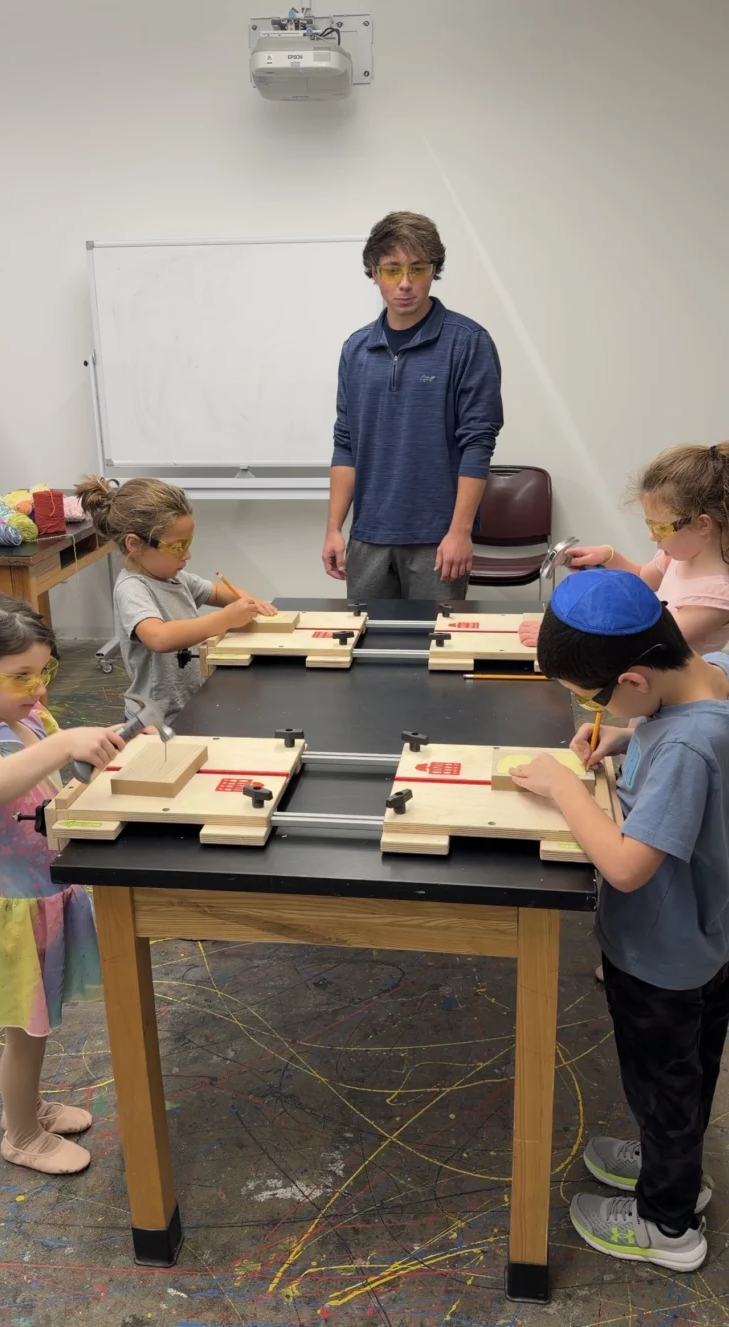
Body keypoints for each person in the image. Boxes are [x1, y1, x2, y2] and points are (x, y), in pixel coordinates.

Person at [509, 569, 729, 1273]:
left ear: (634, 678)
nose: (595, 710)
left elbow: (630, 865)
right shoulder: (712, 674)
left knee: (663, 1081)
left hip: (663, 952)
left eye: (595, 699)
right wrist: (622, 744)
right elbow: (672, 730)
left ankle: (669, 1221)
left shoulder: (690, 747)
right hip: (706, 937)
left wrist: (568, 790)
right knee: (687, 1072)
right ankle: (675, 1161)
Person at [0, 592, 127, 1174]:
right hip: (10, 905)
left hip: (41, 887)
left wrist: (95, 742)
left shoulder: (25, 716)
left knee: (36, 1021)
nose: (38, 687)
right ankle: (20, 1136)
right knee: (26, 1027)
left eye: (45, 671)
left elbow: (49, 776)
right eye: (20, 676)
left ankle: (30, 1106)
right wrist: (66, 742)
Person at [321, 211, 503, 600]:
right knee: (364, 649)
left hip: (438, 539)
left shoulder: (467, 342)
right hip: (368, 536)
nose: (404, 284)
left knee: (436, 653)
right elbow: (345, 443)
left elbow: (478, 443)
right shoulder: (356, 349)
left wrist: (460, 532)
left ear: (433, 270)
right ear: (373, 272)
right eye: (391, 270)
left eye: (417, 269)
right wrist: (334, 528)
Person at [77, 476, 276, 725]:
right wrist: (225, 619)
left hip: (189, 706)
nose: (187, 554)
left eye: (188, 544)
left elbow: (216, 591)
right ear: (134, 545)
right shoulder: (132, 589)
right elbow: (159, 638)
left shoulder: (175, 577)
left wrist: (253, 603)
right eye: (177, 547)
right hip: (155, 721)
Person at [520, 442, 729, 653]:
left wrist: (560, 637)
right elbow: (642, 577)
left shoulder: (716, 596)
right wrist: (608, 557)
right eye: (650, 526)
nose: (651, 536)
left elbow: (651, 640)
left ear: (702, 525)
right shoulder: (676, 557)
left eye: (660, 528)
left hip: (673, 683)